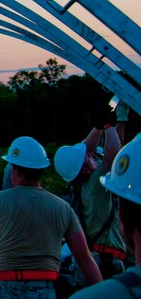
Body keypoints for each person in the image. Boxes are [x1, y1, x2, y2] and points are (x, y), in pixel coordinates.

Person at [0, 136, 102, 299]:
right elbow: (84, 259)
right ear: (41, 170)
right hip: (44, 288)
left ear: (16, 170)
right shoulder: (63, 208)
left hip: (3, 285)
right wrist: (104, 291)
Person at [54, 121, 125, 284]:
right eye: (88, 157)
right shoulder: (95, 183)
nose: (90, 154)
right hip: (105, 262)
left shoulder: (78, 186)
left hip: (91, 260)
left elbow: (85, 151)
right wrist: (109, 126)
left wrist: (98, 125)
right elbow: (114, 158)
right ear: (85, 168)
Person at [74, 135, 141, 298]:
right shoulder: (95, 183)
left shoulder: (81, 188)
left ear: (123, 219)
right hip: (107, 258)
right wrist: (105, 127)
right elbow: (113, 159)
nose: (95, 159)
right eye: (92, 157)